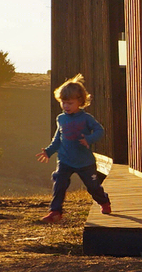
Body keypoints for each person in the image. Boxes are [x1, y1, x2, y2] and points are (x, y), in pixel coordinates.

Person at [37, 74, 112, 223]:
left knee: (92, 186)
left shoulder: (86, 118)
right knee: (59, 183)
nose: (66, 106)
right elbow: (58, 138)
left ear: (80, 102)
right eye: (63, 103)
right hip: (65, 160)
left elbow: (100, 131)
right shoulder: (61, 118)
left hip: (85, 161)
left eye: (70, 103)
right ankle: (55, 212)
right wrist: (49, 151)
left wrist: (89, 139)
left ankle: (104, 201)